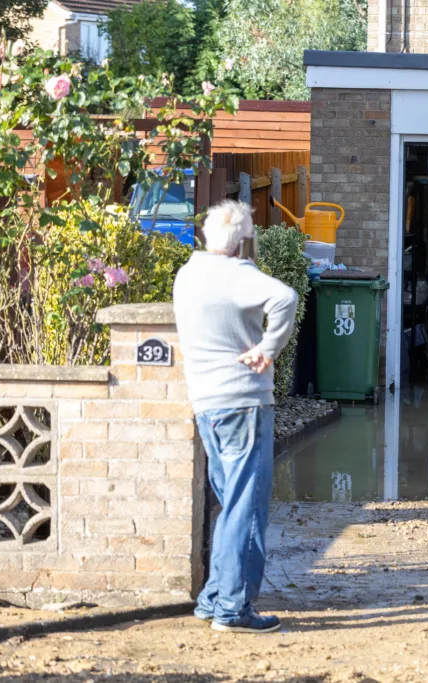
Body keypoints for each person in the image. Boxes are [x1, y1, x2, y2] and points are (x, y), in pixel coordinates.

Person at [173, 200, 298, 634]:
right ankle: (233, 609)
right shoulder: (237, 275)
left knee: (230, 505)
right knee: (246, 508)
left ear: (207, 234)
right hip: (243, 401)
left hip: (206, 402)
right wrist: (268, 348)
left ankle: (213, 599)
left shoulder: (188, 274)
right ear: (244, 238)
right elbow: (286, 296)